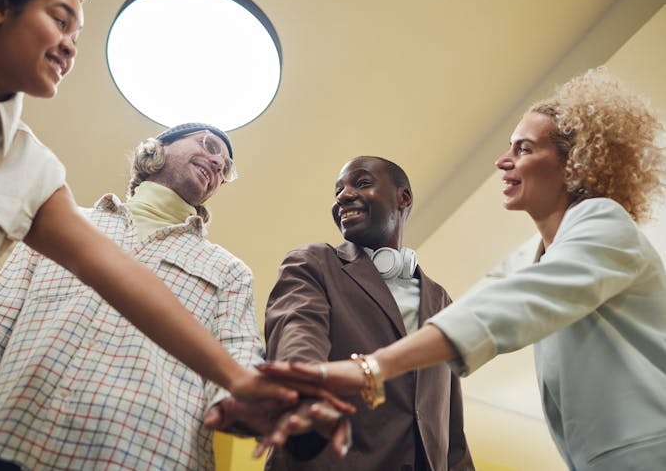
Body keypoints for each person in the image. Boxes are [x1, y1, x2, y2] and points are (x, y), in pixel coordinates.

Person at [0, 0, 296, 404]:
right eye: (61, 22)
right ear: (0, 6)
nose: (70, 47)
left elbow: (119, 276)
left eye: (76, 36)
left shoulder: (30, 170)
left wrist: (240, 379)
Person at [261, 69, 666, 470]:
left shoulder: (604, 222)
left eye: (523, 149)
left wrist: (371, 366)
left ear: (574, 163)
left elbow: (504, 308)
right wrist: (309, 388)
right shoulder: (530, 257)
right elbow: (485, 304)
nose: (502, 161)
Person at [0, 124, 352, 470]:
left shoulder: (228, 270)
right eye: (207, 145)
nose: (218, 163)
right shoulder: (59, 226)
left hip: (148, 456)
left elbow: (238, 356)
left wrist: (254, 404)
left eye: (224, 166)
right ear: (156, 149)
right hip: (9, 448)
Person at [261, 156, 473, 470]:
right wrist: (307, 393)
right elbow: (297, 335)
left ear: (404, 198)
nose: (343, 196)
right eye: (338, 190)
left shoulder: (441, 301)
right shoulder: (315, 264)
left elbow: (450, 424)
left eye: (361, 183)